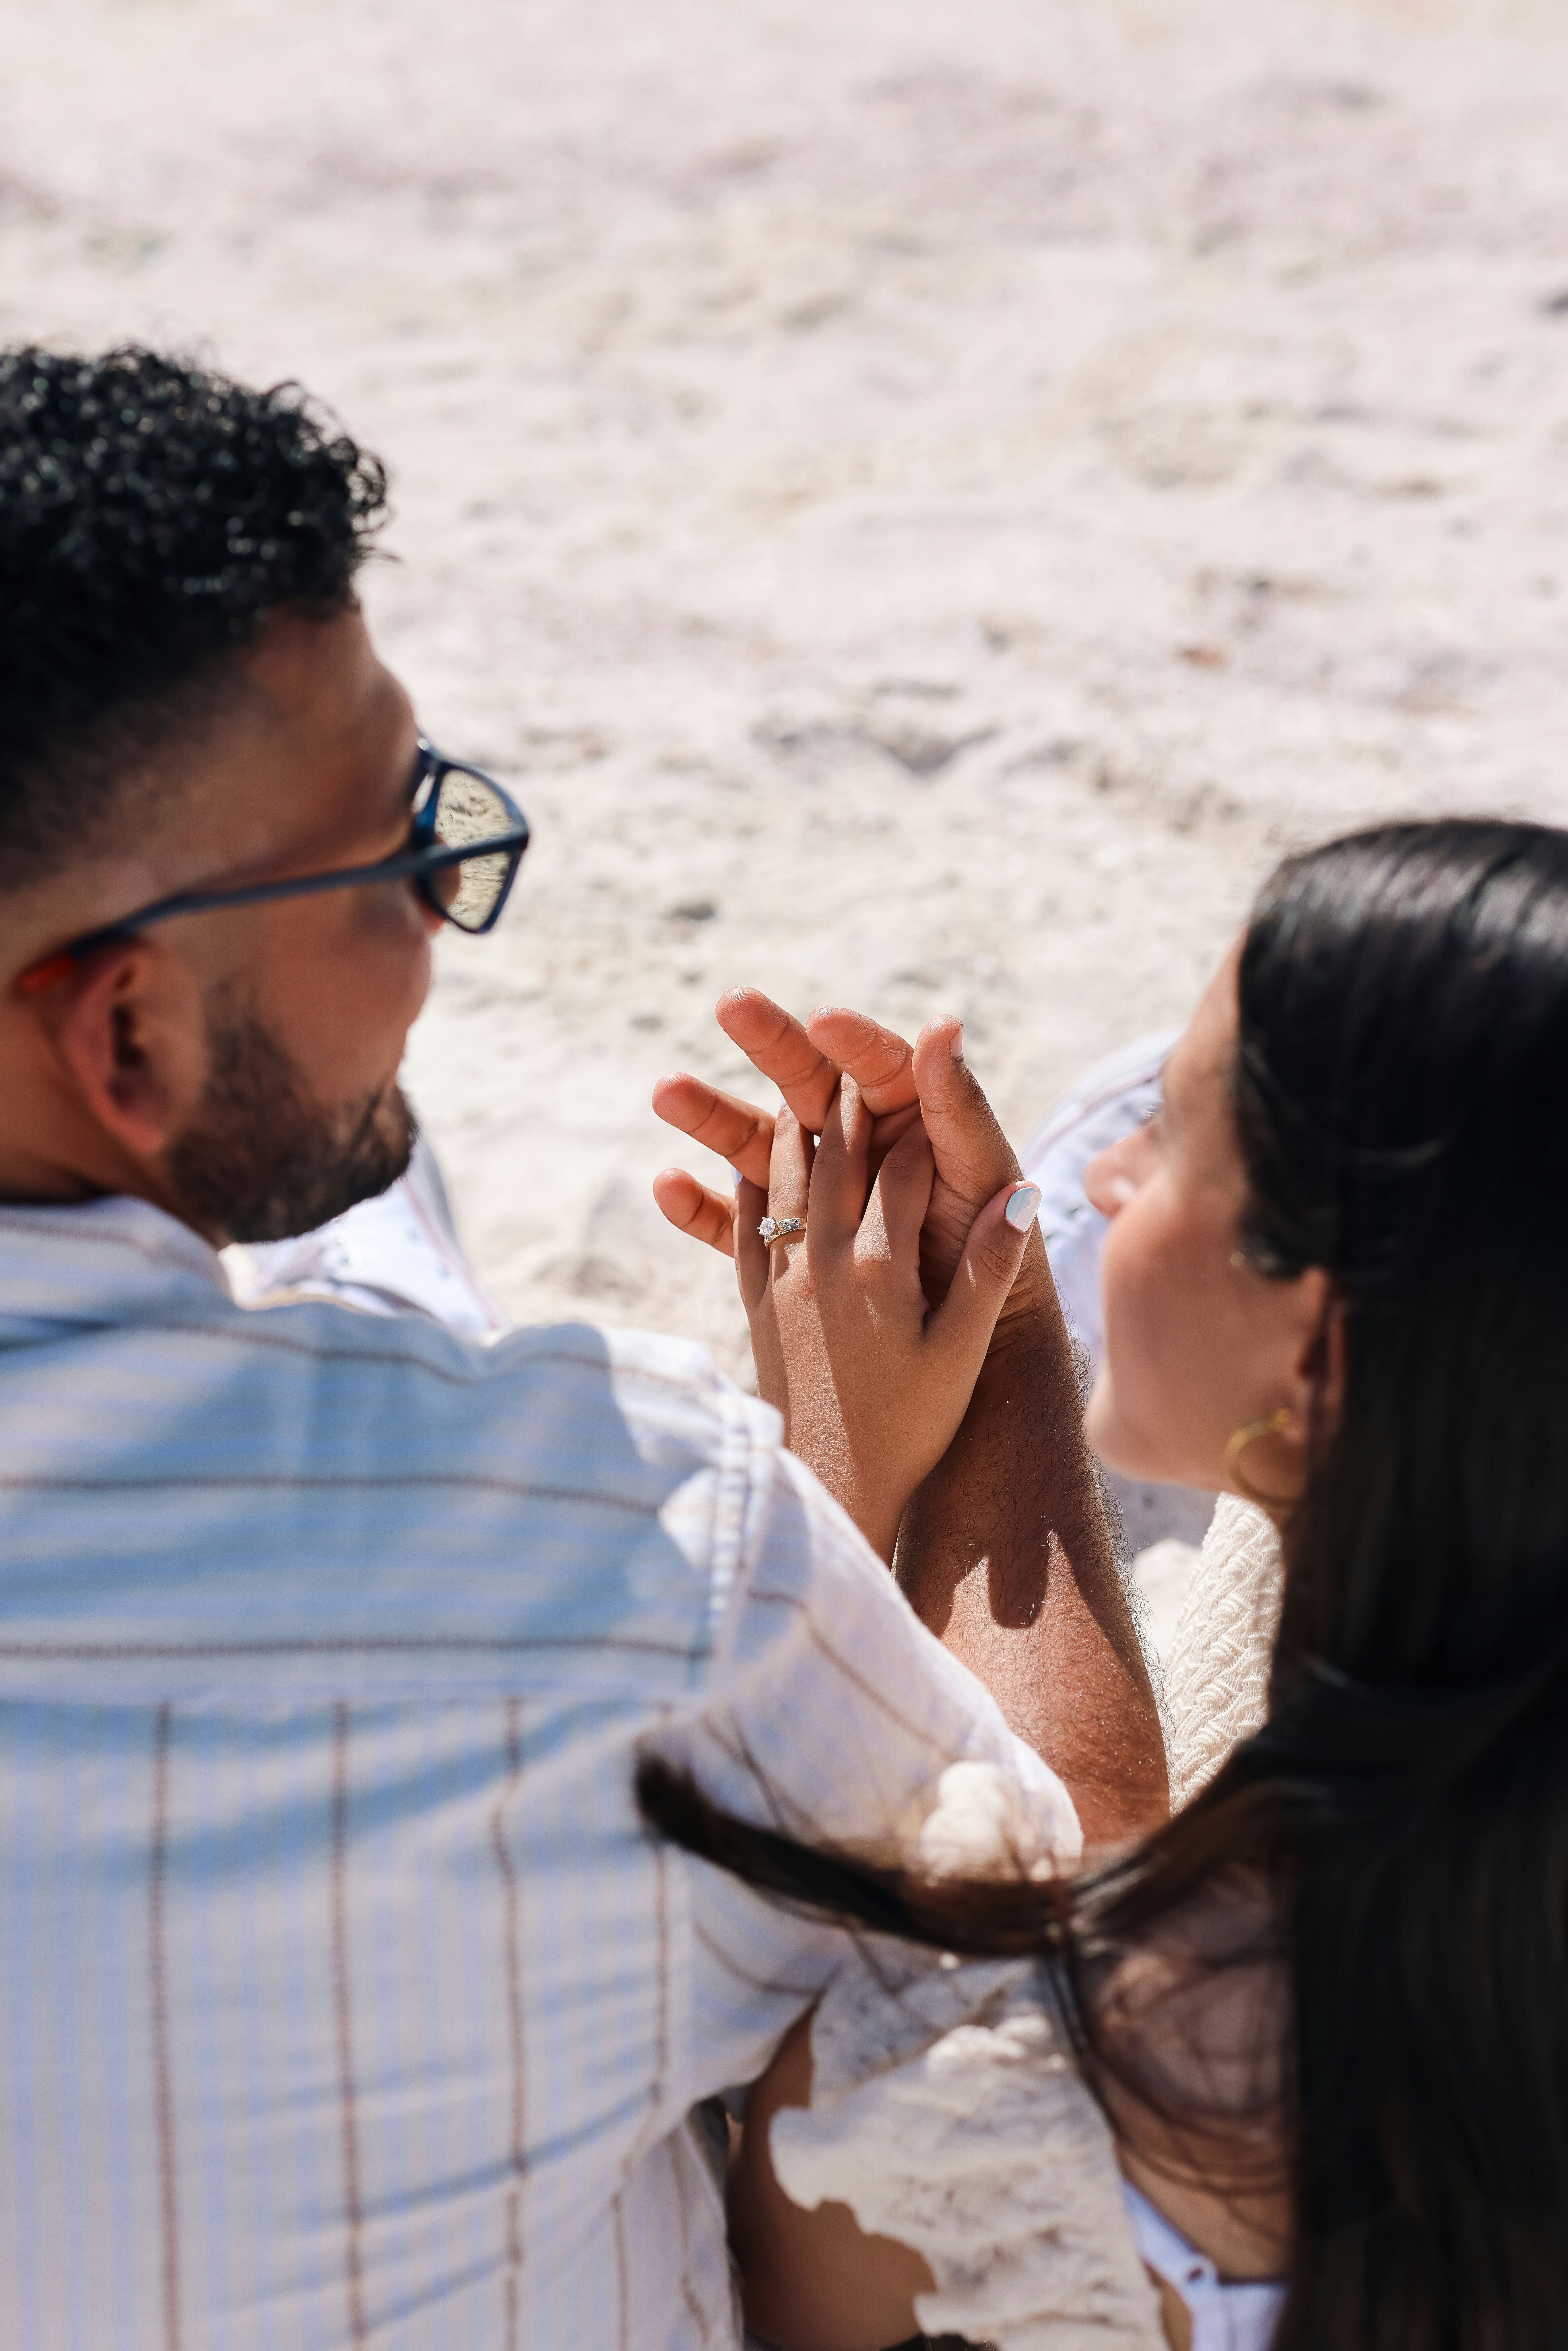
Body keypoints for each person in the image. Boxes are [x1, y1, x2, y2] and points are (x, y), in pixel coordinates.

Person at [0, 342, 1163, 2346]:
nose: (445, 909)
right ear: (122, 1035)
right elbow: (1102, 2019)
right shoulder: (626, 1540)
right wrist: (1003, 1352)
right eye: (397, 859)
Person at [642, 818, 1568, 2348]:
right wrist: (999, 1346)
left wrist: (821, 1497)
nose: (1109, 1172)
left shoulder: (964, 2107)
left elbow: (1040, 1920)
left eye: (1168, 1135)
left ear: (1315, 1349)